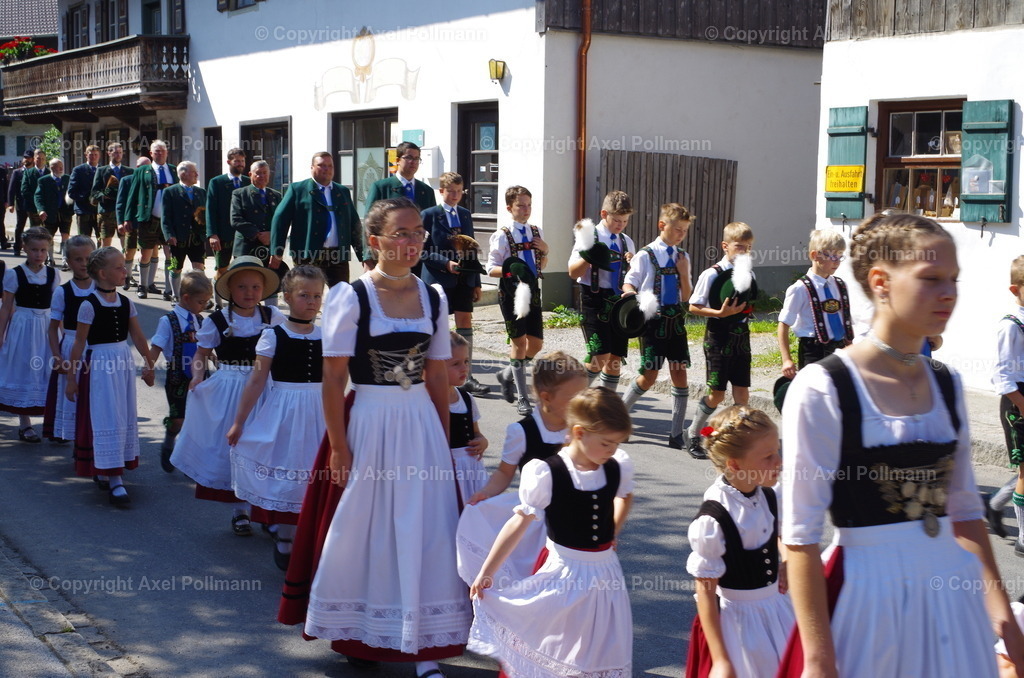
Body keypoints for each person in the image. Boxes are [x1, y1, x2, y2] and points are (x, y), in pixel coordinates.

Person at [778, 212, 1024, 677]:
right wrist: (818, 658)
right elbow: (801, 537)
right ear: (881, 281)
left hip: (952, 597)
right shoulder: (824, 386)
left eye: (953, 279)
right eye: (931, 278)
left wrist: (1005, 621)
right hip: (870, 601)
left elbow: (967, 513)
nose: (948, 292)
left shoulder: (946, 383)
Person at [286, 197, 469, 677]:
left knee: (428, 528)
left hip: (422, 427)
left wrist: (445, 443)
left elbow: (435, 376)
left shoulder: (434, 296)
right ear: (375, 241)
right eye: (401, 234)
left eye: (417, 234)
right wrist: (339, 446)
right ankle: (362, 629)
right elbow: (333, 378)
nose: (411, 243)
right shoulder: (353, 296)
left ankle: (425, 646)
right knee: (366, 529)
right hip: (370, 419)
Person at [469, 387, 635, 678]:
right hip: (565, 571)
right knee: (557, 642)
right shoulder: (547, 472)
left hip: (606, 573)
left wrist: (612, 534)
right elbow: (518, 522)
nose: (612, 451)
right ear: (580, 433)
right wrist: (487, 571)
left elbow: (625, 496)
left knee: (599, 644)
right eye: (607, 443)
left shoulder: (616, 465)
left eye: (616, 444)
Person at [169, 256, 285, 534]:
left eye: (256, 287)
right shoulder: (218, 320)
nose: (249, 292)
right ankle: (240, 510)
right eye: (242, 287)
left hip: (265, 387)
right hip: (230, 387)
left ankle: (266, 510)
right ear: (230, 289)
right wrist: (198, 376)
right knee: (236, 447)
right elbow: (201, 353)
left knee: (266, 448)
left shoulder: (273, 317)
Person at [458, 352, 588, 593]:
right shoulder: (522, 432)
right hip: (535, 524)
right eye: (575, 397)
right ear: (547, 397)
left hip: (572, 518)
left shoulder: (582, 430)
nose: (582, 403)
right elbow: (504, 473)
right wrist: (485, 493)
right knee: (536, 583)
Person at [227, 265, 326, 571]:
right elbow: (256, 381)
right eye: (303, 295)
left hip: (320, 411)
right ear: (286, 297)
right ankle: (285, 535)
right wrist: (240, 421)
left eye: (317, 296)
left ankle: (310, 536)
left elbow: (337, 380)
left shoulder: (328, 336)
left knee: (314, 471)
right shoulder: (273, 336)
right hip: (285, 410)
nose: (311, 301)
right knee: (290, 466)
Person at [684, 406, 793, 678]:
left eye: (777, 450)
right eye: (768, 456)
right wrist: (721, 660)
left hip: (777, 610)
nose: (778, 461)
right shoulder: (714, 518)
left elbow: (779, 531)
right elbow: (705, 592)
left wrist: (788, 559)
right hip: (739, 625)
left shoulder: (769, 494)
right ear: (734, 464)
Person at [66, 247, 155, 506]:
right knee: (106, 416)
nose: (124, 271)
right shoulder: (88, 304)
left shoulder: (126, 302)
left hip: (122, 364)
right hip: (99, 367)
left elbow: (138, 336)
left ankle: (110, 470)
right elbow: (78, 343)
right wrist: (71, 378)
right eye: (119, 267)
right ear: (103, 274)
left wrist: (149, 365)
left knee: (122, 413)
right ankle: (114, 477)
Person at [620, 203, 694, 450]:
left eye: (684, 230)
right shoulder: (646, 254)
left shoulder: (683, 256)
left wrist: (683, 273)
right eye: (677, 229)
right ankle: (619, 419)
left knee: (680, 374)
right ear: (662, 226)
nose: (681, 234)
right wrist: (631, 297)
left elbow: (686, 297)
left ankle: (676, 433)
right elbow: (629, 283)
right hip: (653, 323)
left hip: (676, 324)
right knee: (649, 376)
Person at [687, 222, 758, 460]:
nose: (744, 252)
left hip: (741, 337)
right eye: (739, 246)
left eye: (748, 247)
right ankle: (695, 432)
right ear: (725, 246)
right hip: (718, 337)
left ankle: (737, 441)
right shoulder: (712, 274)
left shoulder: (749, 274)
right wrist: (719, 314)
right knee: (716, 394)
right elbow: (693, 306)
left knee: (742, 394)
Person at [421, 171, 488, 395]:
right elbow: (421, 251)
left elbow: (472, 249)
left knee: (465, 320)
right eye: (450, 191)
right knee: (438, 324)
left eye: (459, 192)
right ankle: (434, 372)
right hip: (438, 278)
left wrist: (476, 282)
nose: (455, 195)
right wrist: (445, 264)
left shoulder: (466, 215)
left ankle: (466, 376)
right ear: (441, 191)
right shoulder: (429, 214)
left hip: (464, 278)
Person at [488, 185, 549, 416]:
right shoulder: (502, 235)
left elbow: (541, 265)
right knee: (519, 343)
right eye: (520, 205)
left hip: (532, 291)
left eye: (528, 205)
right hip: (511, 293)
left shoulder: (536, 231)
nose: (526, 210)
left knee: (536, 344)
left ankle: (507, 374)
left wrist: (545, 250)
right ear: (509, 208)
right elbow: (490, 267)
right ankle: (523, 397)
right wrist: (508, 272)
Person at [568, 190, 637, 393]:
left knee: (615, 358)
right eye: (616, 220)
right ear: (603, 214)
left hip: (619, 302)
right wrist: (589, 258)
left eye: (625, 221)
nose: (620, 225)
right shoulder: (589, 237)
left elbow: (632, 277)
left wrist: (633, 264)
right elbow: (572, 272)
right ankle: (574, 398)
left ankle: (607, 403)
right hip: (594, 299)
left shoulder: (626, 240)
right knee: (599, 356)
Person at [147, 271, 213, 473]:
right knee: (178, 419)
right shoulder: (169, 321)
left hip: (202, 377)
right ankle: (169, 439)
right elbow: (157, 345)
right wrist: (149, 367)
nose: (204, 306)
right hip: (177, 377)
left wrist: (218, 360)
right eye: (201, 302)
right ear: (186, 298)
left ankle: (190, 460)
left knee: (198, 419)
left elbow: (207, 347)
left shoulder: (202, 321)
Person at [270, 151, 366, 287]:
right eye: (321, 165)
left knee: (341, 296)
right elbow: (280, 220)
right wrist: (277, 251)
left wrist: (363, 255)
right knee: (307, 294)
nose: (326, 169)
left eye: (330, 166)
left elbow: (354, 225)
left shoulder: (342, 191)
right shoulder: (298, 190)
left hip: (337, 255)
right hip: (308, 254)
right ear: (312, 168)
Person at [0, 227, 60, 442]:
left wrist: (63, 335)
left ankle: (54, 424)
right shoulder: (14, 274)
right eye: (34, 249)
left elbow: (57, 308)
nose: (39, 254)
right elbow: (6, 307)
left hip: (45, 327)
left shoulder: (53, 274)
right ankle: (25, 424)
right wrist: (1, 333)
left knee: (48, 370)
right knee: (24, 369)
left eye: (43, 250)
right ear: (24, 248)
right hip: (23, 327)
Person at [777, 229, 853, 381]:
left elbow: (843, 318)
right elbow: (783, 325)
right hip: (813, 351)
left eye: (840, 256)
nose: (837, 261)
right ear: (814, 255)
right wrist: (786, 359)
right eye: (832, 256)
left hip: (839, 349)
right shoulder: (799, 289)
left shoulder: (839, 285)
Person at [987, 254, 1024, 550]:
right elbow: (1001, 374)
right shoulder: (1010, 326)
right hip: (1017, 401)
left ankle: (997, 503)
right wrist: (1021, 403)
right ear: (1016, 290)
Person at [43, 236, 95, 443]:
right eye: (77, 259)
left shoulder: (102, 289)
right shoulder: (62, 292)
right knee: (72, 394)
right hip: (71, 346)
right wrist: (56, 356)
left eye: (87, 259)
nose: (83, 264)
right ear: (68, 261)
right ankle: (70, 433)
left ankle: (89, 435)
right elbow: (53, 328)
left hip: (96, 348)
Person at [124, 139, 176, 300]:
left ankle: (169, 290)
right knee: (145, 253)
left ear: (167, 153)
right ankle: (143, 285)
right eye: (156, 151)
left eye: (162, 150)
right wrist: (127, 218)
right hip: (148, 218)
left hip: (169, 221)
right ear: (151, 153)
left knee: (170, 254)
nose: (160, 153)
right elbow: (132, 194)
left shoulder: (174, 170)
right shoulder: (142, 171)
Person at [446, 331, 488, 500]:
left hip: (472, 467)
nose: (464, 368)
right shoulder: (429, 402)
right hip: (448, 470)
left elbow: (476, 431)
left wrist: (482, 441)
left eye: (466, 361)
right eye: (455, 364)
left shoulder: (466, 398)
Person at [206, 147, 250, 300]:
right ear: (229, 162)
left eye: (242, 161)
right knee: (222, 268)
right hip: (223, 234)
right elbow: (210, 210)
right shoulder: (217, 182)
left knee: (240, 269)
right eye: (237, 161)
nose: (240, 164)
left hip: (243, 236)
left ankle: (235, 300)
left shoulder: (248, 182)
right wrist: (212, 234)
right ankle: (218, 301)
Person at [161, 161, 207, 302]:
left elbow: (207, 215)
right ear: (183, 174)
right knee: (176, 267)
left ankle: (201, 296)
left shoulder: (201, 192)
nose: (197, 175)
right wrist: (169, 235)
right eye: (194, 172)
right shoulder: (170, 192)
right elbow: (166, 217)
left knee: (199, 268)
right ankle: (176, 296)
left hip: (197, 237)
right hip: (178, 237)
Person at [231, 160, 280, 262]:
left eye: (265, 173)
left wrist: (271, 234)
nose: (262, 176)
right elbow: (235, 219)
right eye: (258, 173)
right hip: (246, 247)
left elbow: (282, 220)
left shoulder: (276, 195)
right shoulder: (240, 194)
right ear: (250, 174)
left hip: (269, 247)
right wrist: (258, 234)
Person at [115, 156, 150, 291]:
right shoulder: (127, 180)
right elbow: (120, 203)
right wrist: (120, 222)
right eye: (142, 167)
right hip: (131, 222)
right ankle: (127, 277)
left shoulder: (152, 181)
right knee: (129, 251)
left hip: (148, 223)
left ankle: (146, 284)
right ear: (137, 167)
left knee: (149, 253)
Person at [91, 142, 133, 248]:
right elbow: (95, 191)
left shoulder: (129, 171)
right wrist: (103, 196)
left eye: (120, 152)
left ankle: (124, 263)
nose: (118, 155)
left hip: (123, 211)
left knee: (126, 242)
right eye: (115, 153)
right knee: (105, 242)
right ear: (109, 153)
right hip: (106, 211)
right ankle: (105, 263)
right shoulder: (101, 170)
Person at [34, 157, 73, 267]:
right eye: (58, 167)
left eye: (62, 167)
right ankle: (50, 258)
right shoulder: (43, 180)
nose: (61, 169)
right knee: (49, 237)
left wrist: (72, 209)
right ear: (52, 168)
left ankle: (65, 260)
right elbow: (38, 197)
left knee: (65, 236)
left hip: (65, 213)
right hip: (50, 214)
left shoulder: (67, 179)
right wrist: (41, 210)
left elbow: (73, 193)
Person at [67, 144, 100, 242]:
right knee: (84, 240)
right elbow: (72, 191)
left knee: (101, 239)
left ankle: (99, 257)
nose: (93, 157)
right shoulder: (78, 170)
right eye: (91, 154)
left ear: (99, 156)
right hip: (83, 210)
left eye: (95, 154)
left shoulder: (104, 170)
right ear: (86, 155)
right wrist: (86, 197)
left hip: (99, 211)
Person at [8, 150, 35, 256]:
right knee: (20, 226)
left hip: (33, 205)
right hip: (21, 204)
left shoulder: (36, 172)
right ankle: (17, 247)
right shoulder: (17, 172)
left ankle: (33, 248)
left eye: (28, 157)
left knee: (34, 228)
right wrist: (11, 203)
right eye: (25, 157)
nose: (26, 159)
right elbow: (11, 189)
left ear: (32, 159)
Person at [21, 148, 48, 228]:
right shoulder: (28, 173)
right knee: (35, 231)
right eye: (38, 158)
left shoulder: (49, 173)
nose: (40, 161)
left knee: (47, 232)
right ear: (34, 159)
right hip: (32, 208)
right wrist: (37, 203)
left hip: (47, 208)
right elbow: (24, 190)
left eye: (43, 158)